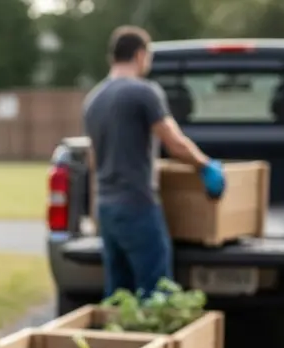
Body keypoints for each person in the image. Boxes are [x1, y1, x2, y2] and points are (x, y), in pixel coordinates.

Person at [83, 25, 225, 299]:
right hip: (137, 206)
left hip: (108, 210)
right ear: (140, 55)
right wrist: (205, 166)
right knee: (156, 294)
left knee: (118, 296)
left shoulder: (93, 100)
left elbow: (93, 160)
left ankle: (118, 341)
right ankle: (155, 340)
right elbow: (174, 143)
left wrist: (94, 214)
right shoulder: (143, 93)